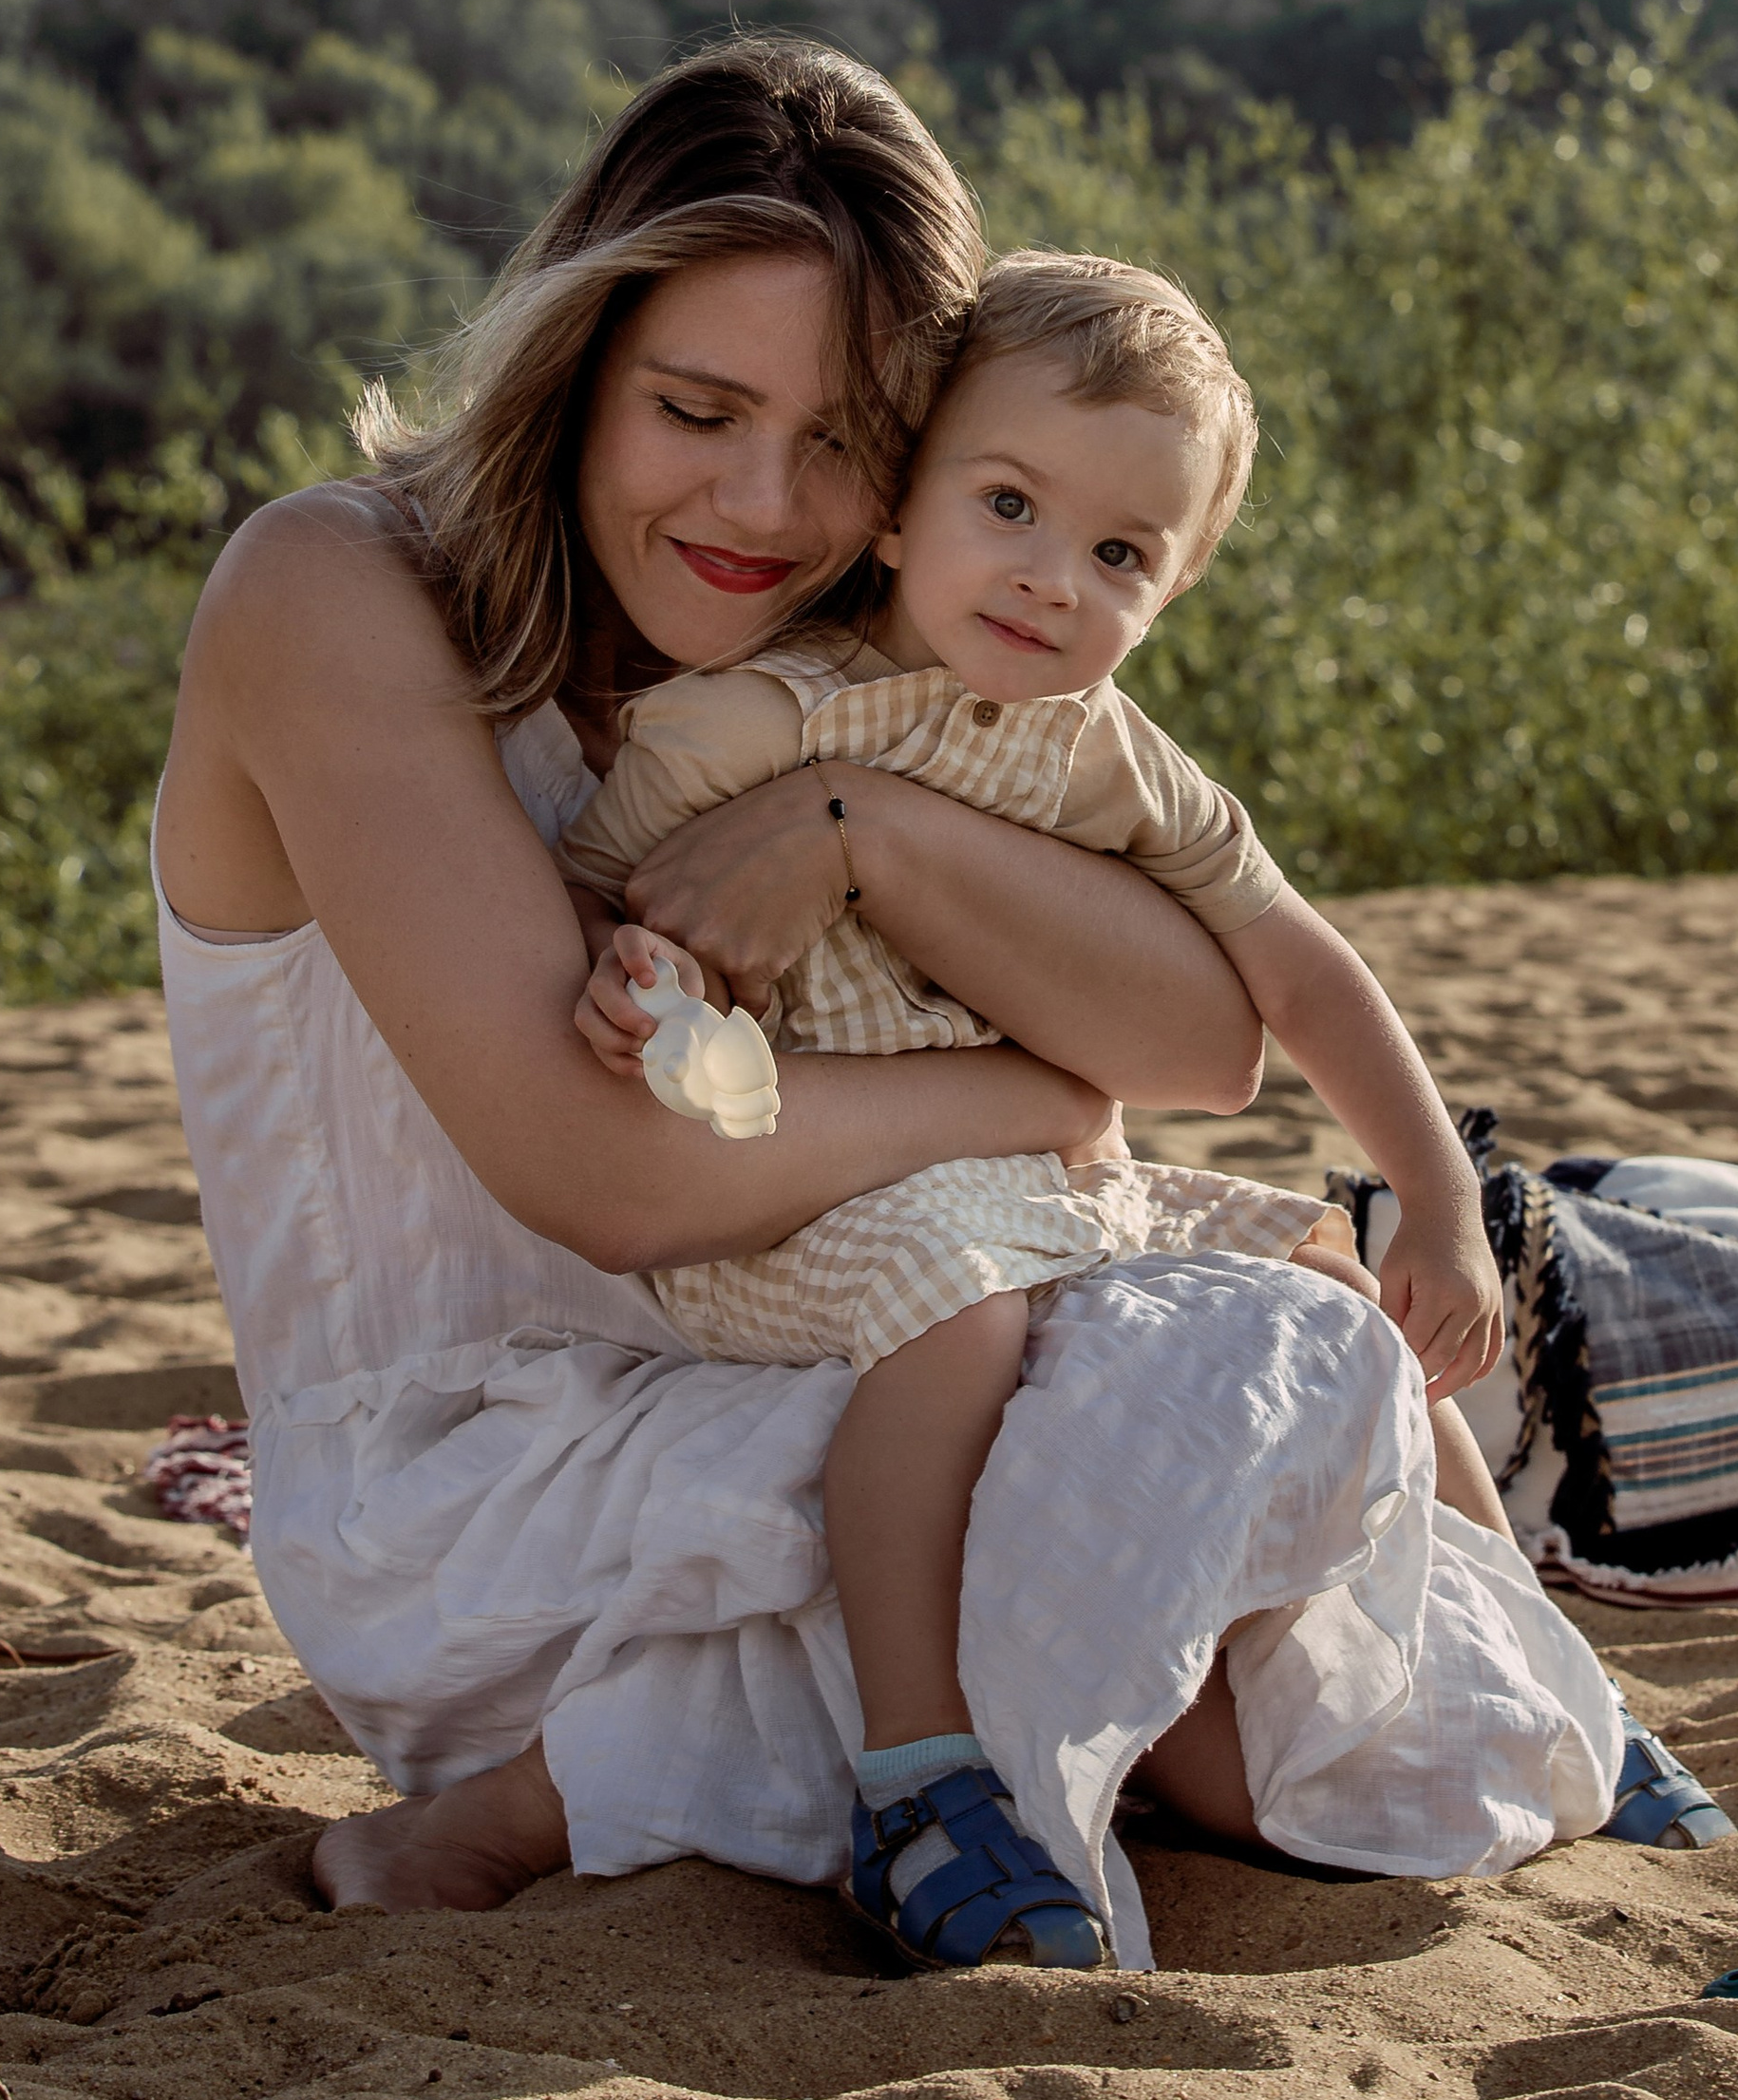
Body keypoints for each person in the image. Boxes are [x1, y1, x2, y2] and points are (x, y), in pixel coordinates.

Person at [151, 33, 1660, 1958]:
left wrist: (865, 826)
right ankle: (607, 1789)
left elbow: (1200, 1045)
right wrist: (1021, 1101)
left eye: (847, 438)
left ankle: (986, 1754)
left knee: (1303, 1340)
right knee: (1157, 1466)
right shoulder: (332, 591)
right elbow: (601, 1174)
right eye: (696, 406)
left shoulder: (843, 671)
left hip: (804, 1358)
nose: (762, 500)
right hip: (487, 1497)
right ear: (579, 360)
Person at [557, 247, 1509, 1969]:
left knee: (1329, 1287)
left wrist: (1432, 1197)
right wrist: (653, 989)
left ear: (1172, 586)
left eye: (1120, 553)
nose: (1051, 579)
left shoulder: (1103, 748)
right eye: (1009, 503)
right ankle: (921, 1773)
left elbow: (1295, 969)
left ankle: (1525, 1681)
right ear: (902, 505)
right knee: (961, 1307)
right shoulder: (744, 727)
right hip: (809, 1208)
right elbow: (609, 916)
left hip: (1050, 1185)